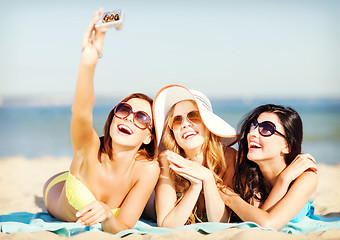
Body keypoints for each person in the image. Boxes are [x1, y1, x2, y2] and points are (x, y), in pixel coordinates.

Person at [42, 9, 160, 234]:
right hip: (57, 187)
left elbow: (122, 226)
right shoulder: (89, 148)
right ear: (114, 115)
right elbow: (81, 113)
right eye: (124, 109)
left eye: (142, 117)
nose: (128, 117)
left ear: (149, 136)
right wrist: (89, 62)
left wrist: (107, 214)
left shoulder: (147, 169)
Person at [219, 104, 318, 230]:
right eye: (253, 126)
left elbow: (267, 224)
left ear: (287, 146)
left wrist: (229, 198)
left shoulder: (307, 176)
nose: (252, 133)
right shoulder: (248, 170)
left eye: (266, 129)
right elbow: (259, 217)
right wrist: (282, 182)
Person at [151, 84, 238, 228]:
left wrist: (207, 178)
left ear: (207, 124)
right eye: (177, 120)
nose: (185, 124)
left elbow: (220, 221)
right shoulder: (167, 160)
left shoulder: (227, 157)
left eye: (194, 116)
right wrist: (195, 186)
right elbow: (166, 225)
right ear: (172, 132)